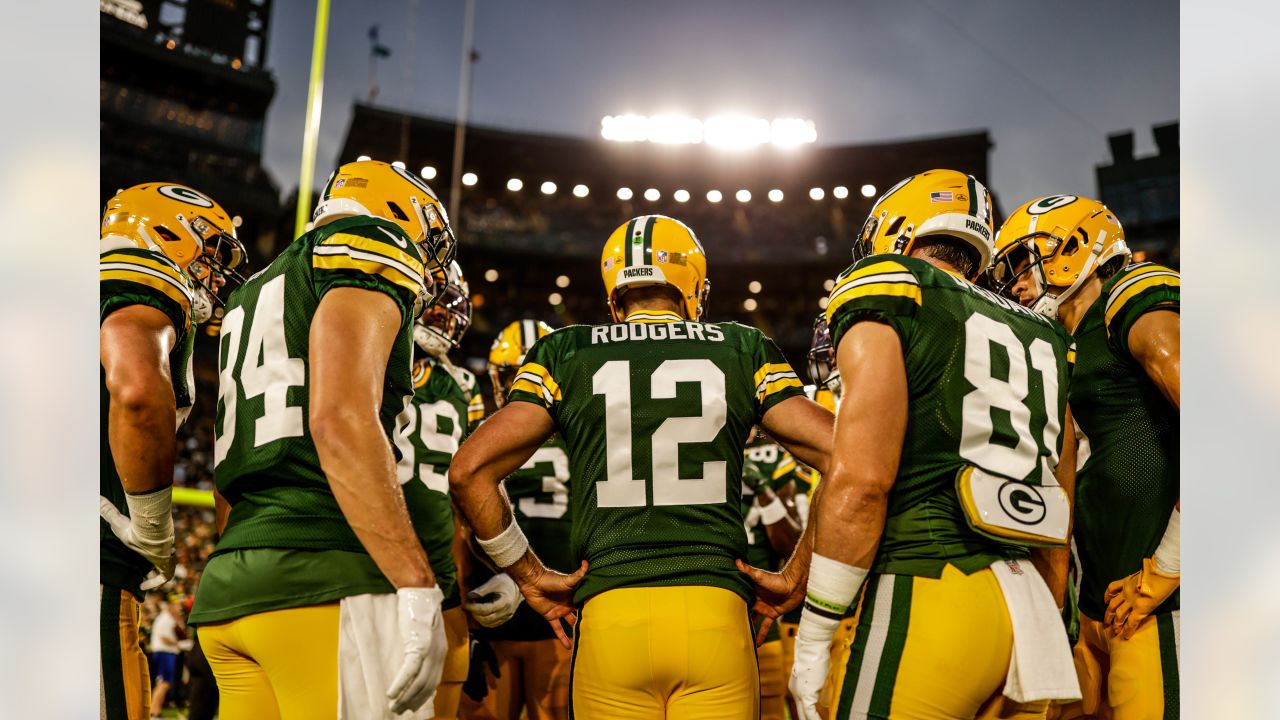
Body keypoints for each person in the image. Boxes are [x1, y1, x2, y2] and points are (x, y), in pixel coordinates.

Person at [449, 214, 835, 719]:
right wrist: (798, 574)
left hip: (611, 615)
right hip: (716, 615)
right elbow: (842, 455)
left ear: (615, 293)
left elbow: (468, 471)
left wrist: (527, 573)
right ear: (693, 284)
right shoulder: (744, 347)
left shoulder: (564, 352)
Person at [749, 170, 1081, 720]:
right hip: (1030, 617)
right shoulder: (1043, 333)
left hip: (928, 589)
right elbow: (1058, 509)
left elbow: (862, 480)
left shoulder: (893, 284)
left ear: (898, 232)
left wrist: (814, 635)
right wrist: (1051, 619)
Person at [189, 160, 457, 719]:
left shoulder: (252, 293)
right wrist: (416, 581)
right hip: (327, 576)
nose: (428, 263)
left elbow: (228, 464)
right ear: (398, 213)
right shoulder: (369, 240)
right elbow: (338, 417)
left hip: (233, 588)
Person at [992, 195, 1180, 719]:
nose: (1016, 285)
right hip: (1101, 600)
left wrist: (1170, 564)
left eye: (1020, 265)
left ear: (1071, 249)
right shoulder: (1061, 343)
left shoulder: (1130, 295)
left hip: (1159, 597)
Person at [100, 183, 245, 720]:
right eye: (213, 253)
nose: (216, 272)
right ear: (168, 233)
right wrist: (153, 529)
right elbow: (138, 392)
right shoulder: (137, 279)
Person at [459, 319, 577, 720]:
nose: (518, 384)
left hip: (547, 610)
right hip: (537, 608)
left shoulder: (480, 437)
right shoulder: (580, 432)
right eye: (512, 374)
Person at [393, 260, 478, 719]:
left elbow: (465, 500)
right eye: (437, 303)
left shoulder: (462, 386)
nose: (444, 316)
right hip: (370, 571)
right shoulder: (366, 354)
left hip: (440, 577)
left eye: (450, 307)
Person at [741, 439, 804, 720]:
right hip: (708, 606)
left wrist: (763, 490)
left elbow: (791, 545)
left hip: (761, 617)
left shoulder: (773, 458)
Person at [149, 598, 185, 719]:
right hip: (165, 652)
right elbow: (164, 638)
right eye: (176, 606)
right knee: (165, 683)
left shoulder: (164, 618)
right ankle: (154, 712)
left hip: (163, 652)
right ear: (170, 606)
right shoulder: (166, 619)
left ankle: (155, 711)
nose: (178, 609)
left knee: (162, 683)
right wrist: (178, 643)